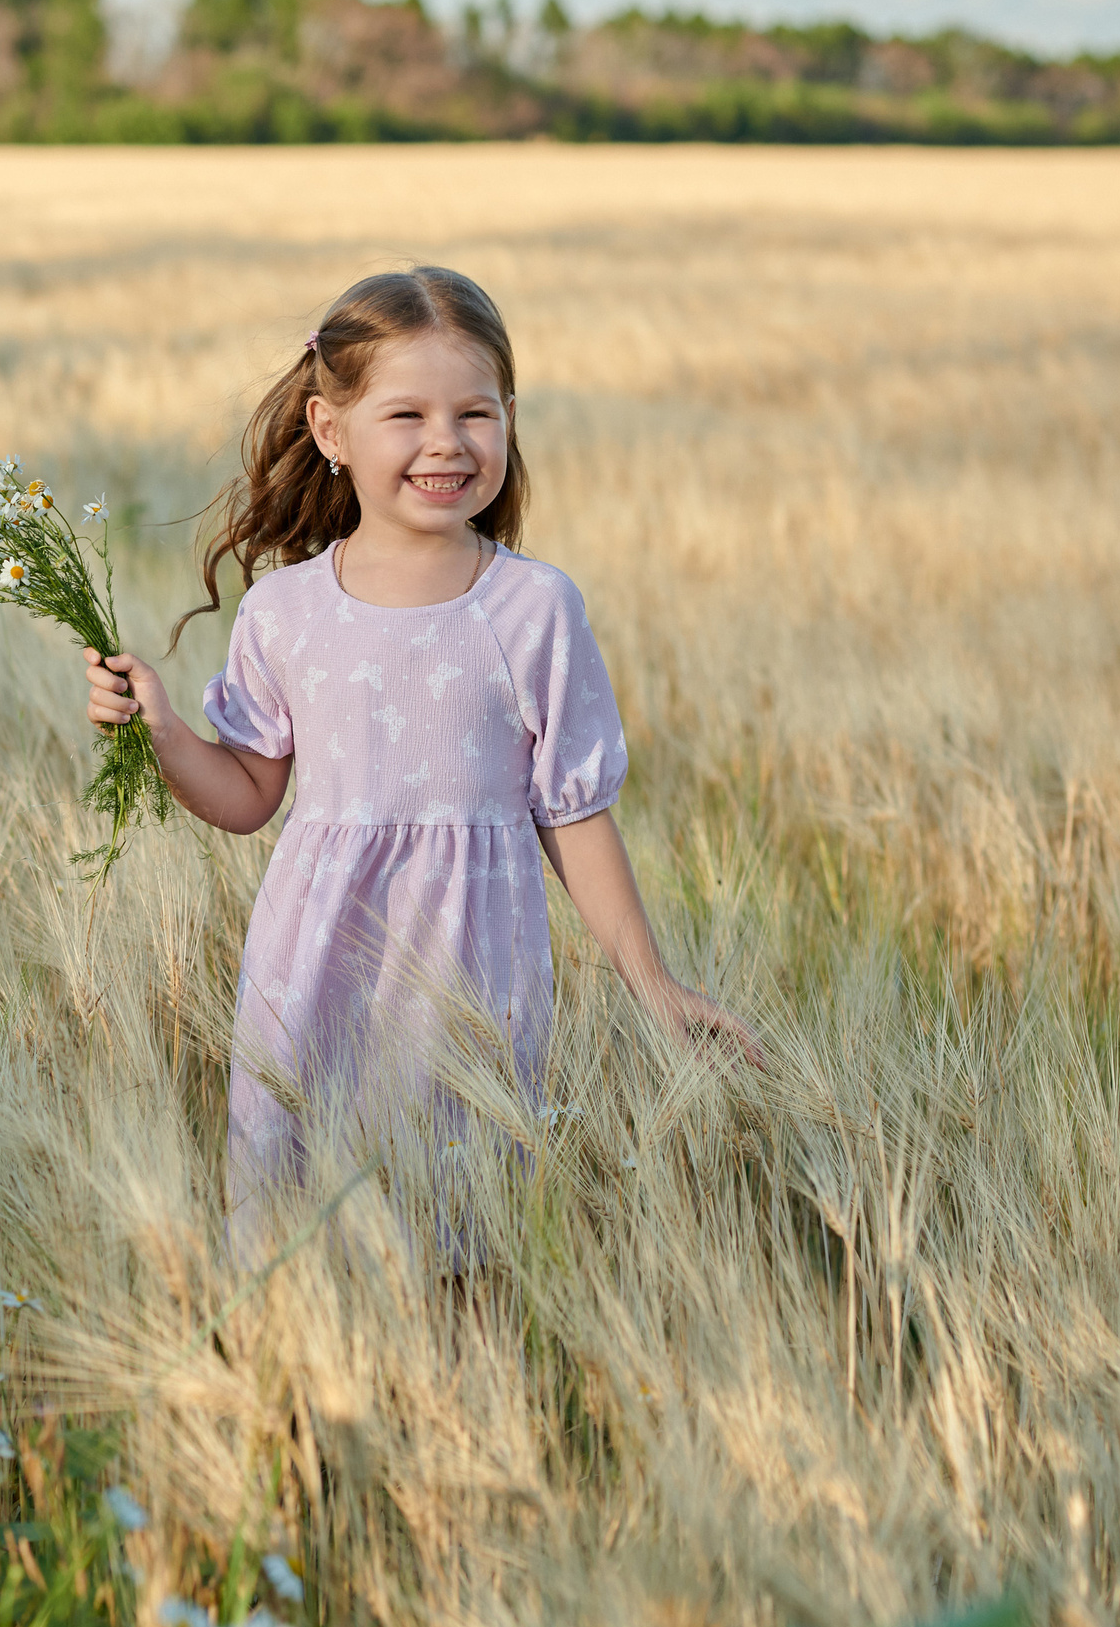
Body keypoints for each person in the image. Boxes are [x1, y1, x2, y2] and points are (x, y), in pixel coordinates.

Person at [83, 266, 758, 1249]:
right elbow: (243, 796)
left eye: (474, 412)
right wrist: (162, 731)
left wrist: (651, 982)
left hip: (474, 979)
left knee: (467, 1228)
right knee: (298, 1227)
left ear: (510, 420)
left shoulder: (535, 609)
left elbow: (570, 810)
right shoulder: (286, 612)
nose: (446, 441)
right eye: (406, 413)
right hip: (313, 966)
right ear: (329, 430)